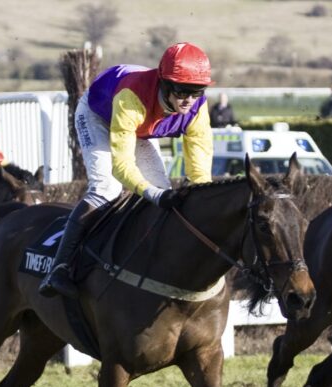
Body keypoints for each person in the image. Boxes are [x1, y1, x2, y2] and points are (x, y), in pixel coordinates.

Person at [39, 42, 214, 298]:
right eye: (182, 91)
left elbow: (200, 172)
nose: (189, 100)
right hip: (98, 115)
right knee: (106, 188)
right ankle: (59, 268)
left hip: (140, 126)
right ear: (165, 84)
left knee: (162, 190)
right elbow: (121, 166)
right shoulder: (132, 97)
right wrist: (151, 194)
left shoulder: (198, 109)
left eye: (197, 91)